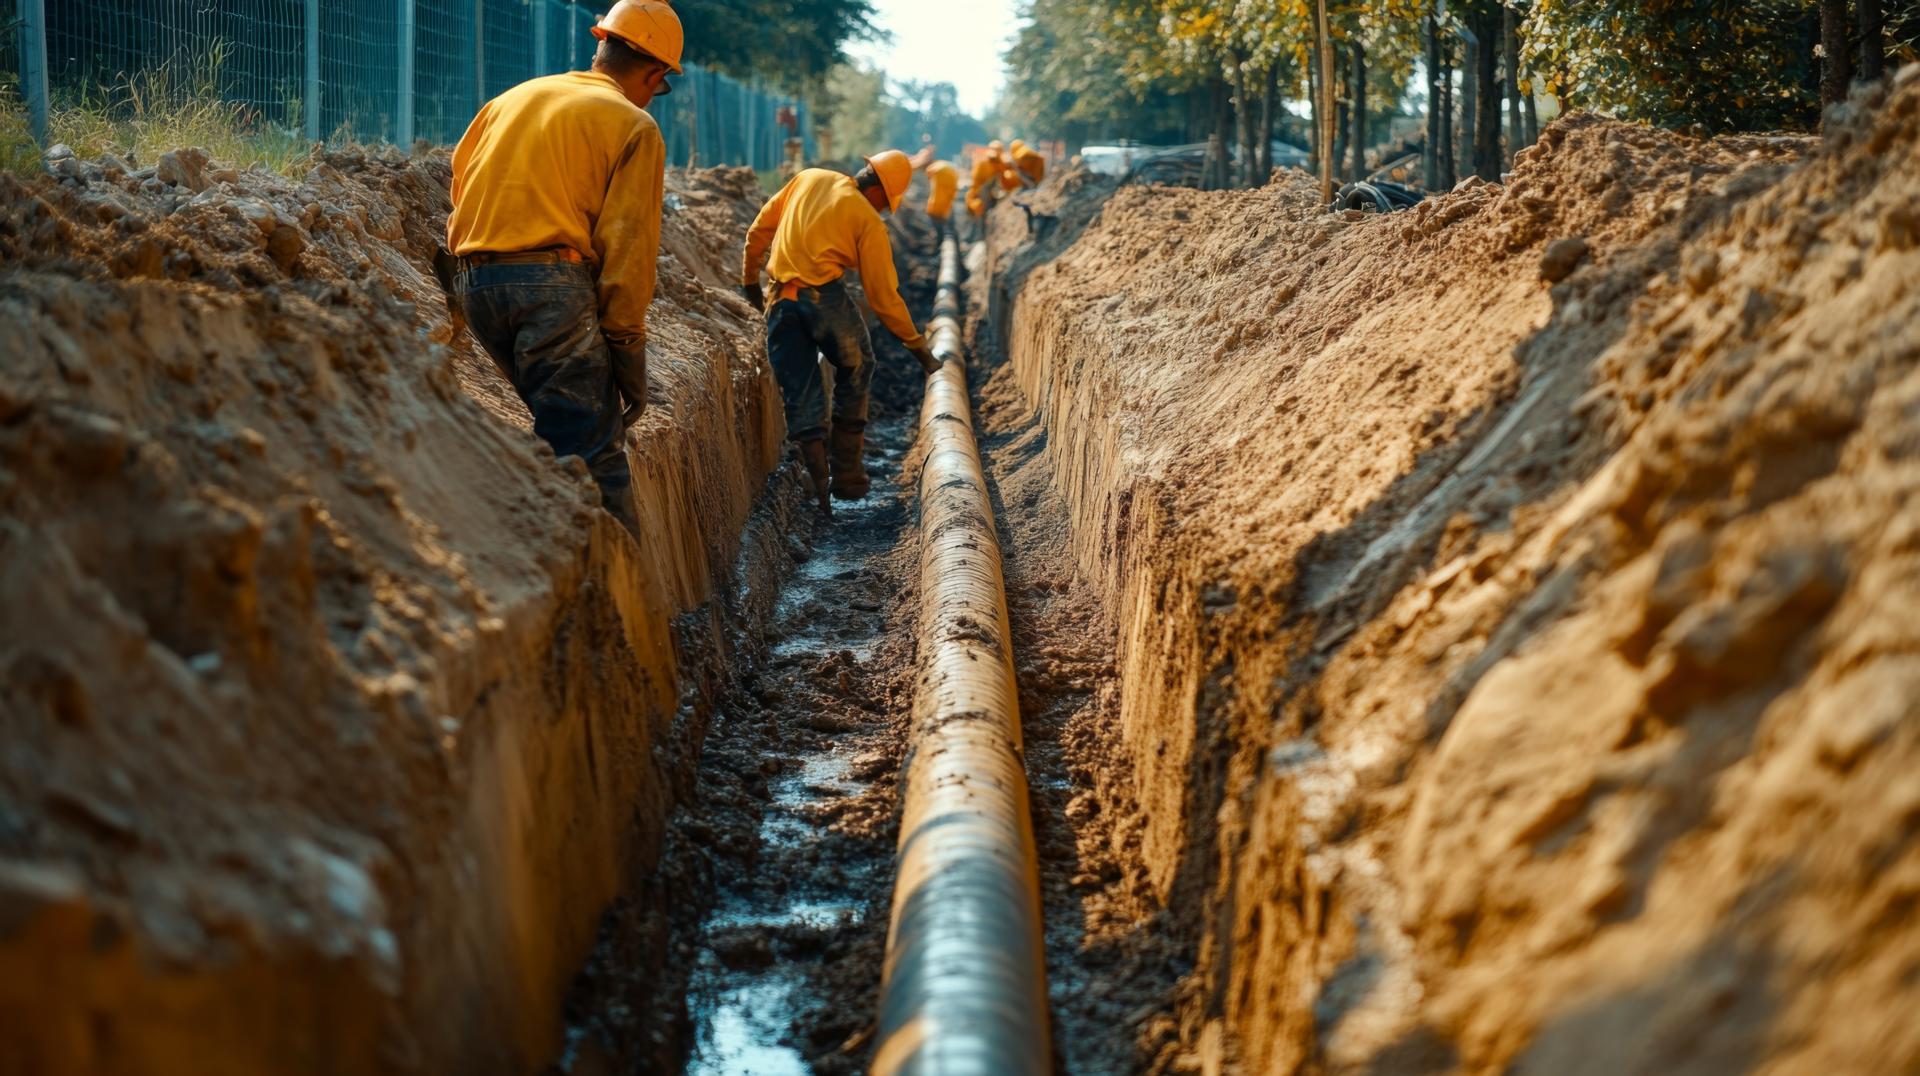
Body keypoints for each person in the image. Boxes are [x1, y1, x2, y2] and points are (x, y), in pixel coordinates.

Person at [441, 0, 680, 540]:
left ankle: (539, 553)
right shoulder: (632, 125)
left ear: (601, 47)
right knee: (594, 460)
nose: (653, 100)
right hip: (550, 289)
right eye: (658, 89)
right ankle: (621, 610)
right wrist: (627, 354)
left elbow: (460, 185)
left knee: (557, 438)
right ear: (654, 73)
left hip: (474, 281)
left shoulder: (512, 99)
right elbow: (627, 253)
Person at [739, 151, 941, 514]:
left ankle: (820, 496)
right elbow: (883, 297)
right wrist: (918, 347)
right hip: (824, 299)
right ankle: (847, 475)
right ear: (881, 192)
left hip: (781, 301)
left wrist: (749, 280)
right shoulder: (868, 220)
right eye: (887, 204)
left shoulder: (808, 178)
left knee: (800, 393)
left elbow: (758, 231)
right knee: (858, 364)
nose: (883, 211)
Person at [965, 140, 1007, 241]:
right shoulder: (986, 161)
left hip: (984, 191)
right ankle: (978, 237)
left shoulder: (993, 161)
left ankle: (979, 237)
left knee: (981, 215)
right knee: (979, 214)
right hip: (981, 191)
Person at [924, 157, 960, 243]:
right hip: (946, 204)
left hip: (936, 206)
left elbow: (928, 173)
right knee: (950, 226)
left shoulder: (934, 169)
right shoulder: (946, 167)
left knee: (939, 227)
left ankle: (939, 242)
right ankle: (953, 243)